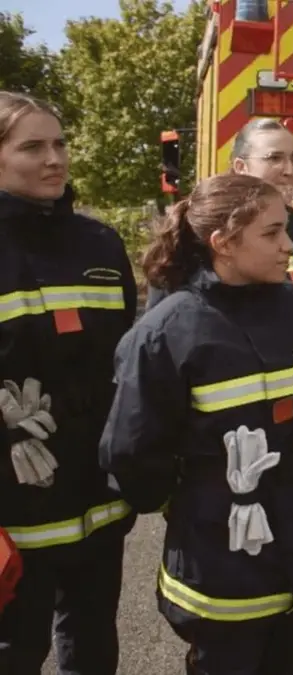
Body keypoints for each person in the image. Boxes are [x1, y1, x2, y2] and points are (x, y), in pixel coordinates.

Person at [99, 173, 293, 674]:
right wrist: (195, 500)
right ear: (223, 243)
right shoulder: (169, 329)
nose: (289, 246)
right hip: (220, 555)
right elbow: (130, 450)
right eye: (272, 233)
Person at [0, 91, 137, 675]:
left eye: (59, 143)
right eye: (32, 146)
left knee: (92, 634)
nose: (54, 158)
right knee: (15, 644)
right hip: (14, 489)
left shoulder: (100, 243)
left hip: (95, 487)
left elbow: (130, 357)